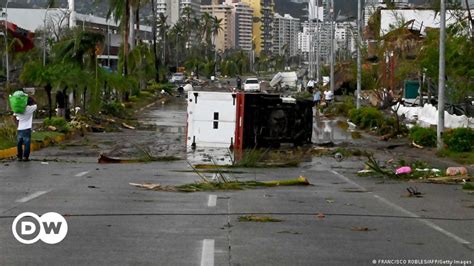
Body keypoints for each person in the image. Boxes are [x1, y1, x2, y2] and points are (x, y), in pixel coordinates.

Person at [13, 96, 37, 162]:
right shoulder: (30, 108)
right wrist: (31, 98)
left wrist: (17, 125)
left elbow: (14, 117)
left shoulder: (18, 108)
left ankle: (19, 157)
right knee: (27, 143)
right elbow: (35, 104)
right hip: (27, 128)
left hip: (20, 128)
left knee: (19, 143)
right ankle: (25, 157)